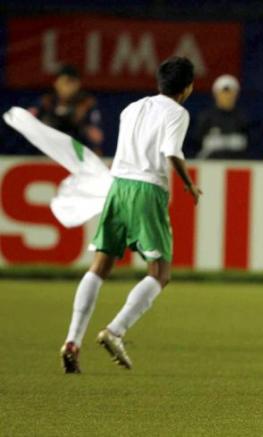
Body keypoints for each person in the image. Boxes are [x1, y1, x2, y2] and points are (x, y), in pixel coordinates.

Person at [59, 57, 202, 374]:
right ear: (188, 88)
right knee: (160, 272)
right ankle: (116, 330)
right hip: (147, 189)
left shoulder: (132, 108)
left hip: (118, 187)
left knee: (100, 265)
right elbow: (172, 152)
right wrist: (189, 184)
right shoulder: (178, 112)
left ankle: (72, 340)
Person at [29, 65, 104, 155]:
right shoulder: (46, 102)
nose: (68, 87)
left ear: (78, 84)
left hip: (77, 154)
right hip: (48, 153)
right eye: (65, 82)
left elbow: (97, 137)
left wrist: (80, 123)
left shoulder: (86, 103)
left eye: (72, 82)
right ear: (56, 83)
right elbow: (26, 124)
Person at [192, 74, 250, 159]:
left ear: (236, 95)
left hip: (236, 168)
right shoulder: (206, 118)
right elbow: (196, 145)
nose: (227, 96)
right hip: (210, 168)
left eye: (230, 93)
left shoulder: (242, 119)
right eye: (224, 93)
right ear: (216, 94)